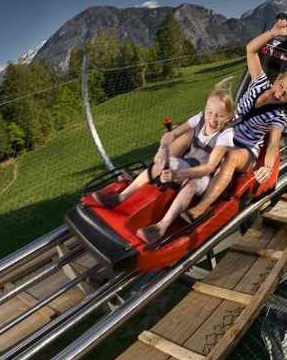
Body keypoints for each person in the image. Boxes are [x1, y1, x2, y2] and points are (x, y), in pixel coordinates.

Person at [183, 18, 287, 222]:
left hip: (246, 149)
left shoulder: (278, 116)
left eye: (286, 95)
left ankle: (201, 209)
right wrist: (272, 32)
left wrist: (268, 166)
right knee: (190, 132)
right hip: (226, 133)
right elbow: (250, 50)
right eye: (281, 88)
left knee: (230, 156)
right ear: (277, 81)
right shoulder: (259, 82)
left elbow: (273, 144)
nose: (279, 95)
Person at [91, 78, 236, 243]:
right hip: (187, 165)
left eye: (219, 115)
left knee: (191, 185)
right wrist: (162, 149)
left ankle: (161, 227)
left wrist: (178, 174)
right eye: (210, 112)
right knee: (163, 162)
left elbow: (209, 168)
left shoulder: (226, 135)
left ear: (228, 117)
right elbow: (171, 134)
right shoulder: (200, 118)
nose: (213, 118)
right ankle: (121, 197)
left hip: (201, 176)